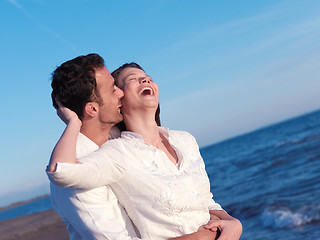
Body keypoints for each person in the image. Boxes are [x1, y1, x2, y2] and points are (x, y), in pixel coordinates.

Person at [47, 58, 242, 239]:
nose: (120, 92)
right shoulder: (116, 152)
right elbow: (60, 171)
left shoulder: (184, 140)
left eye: (148, 78)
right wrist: (73, 122)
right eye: (114, 89)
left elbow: (205, 200)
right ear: (94, 109)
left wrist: (233, 223)